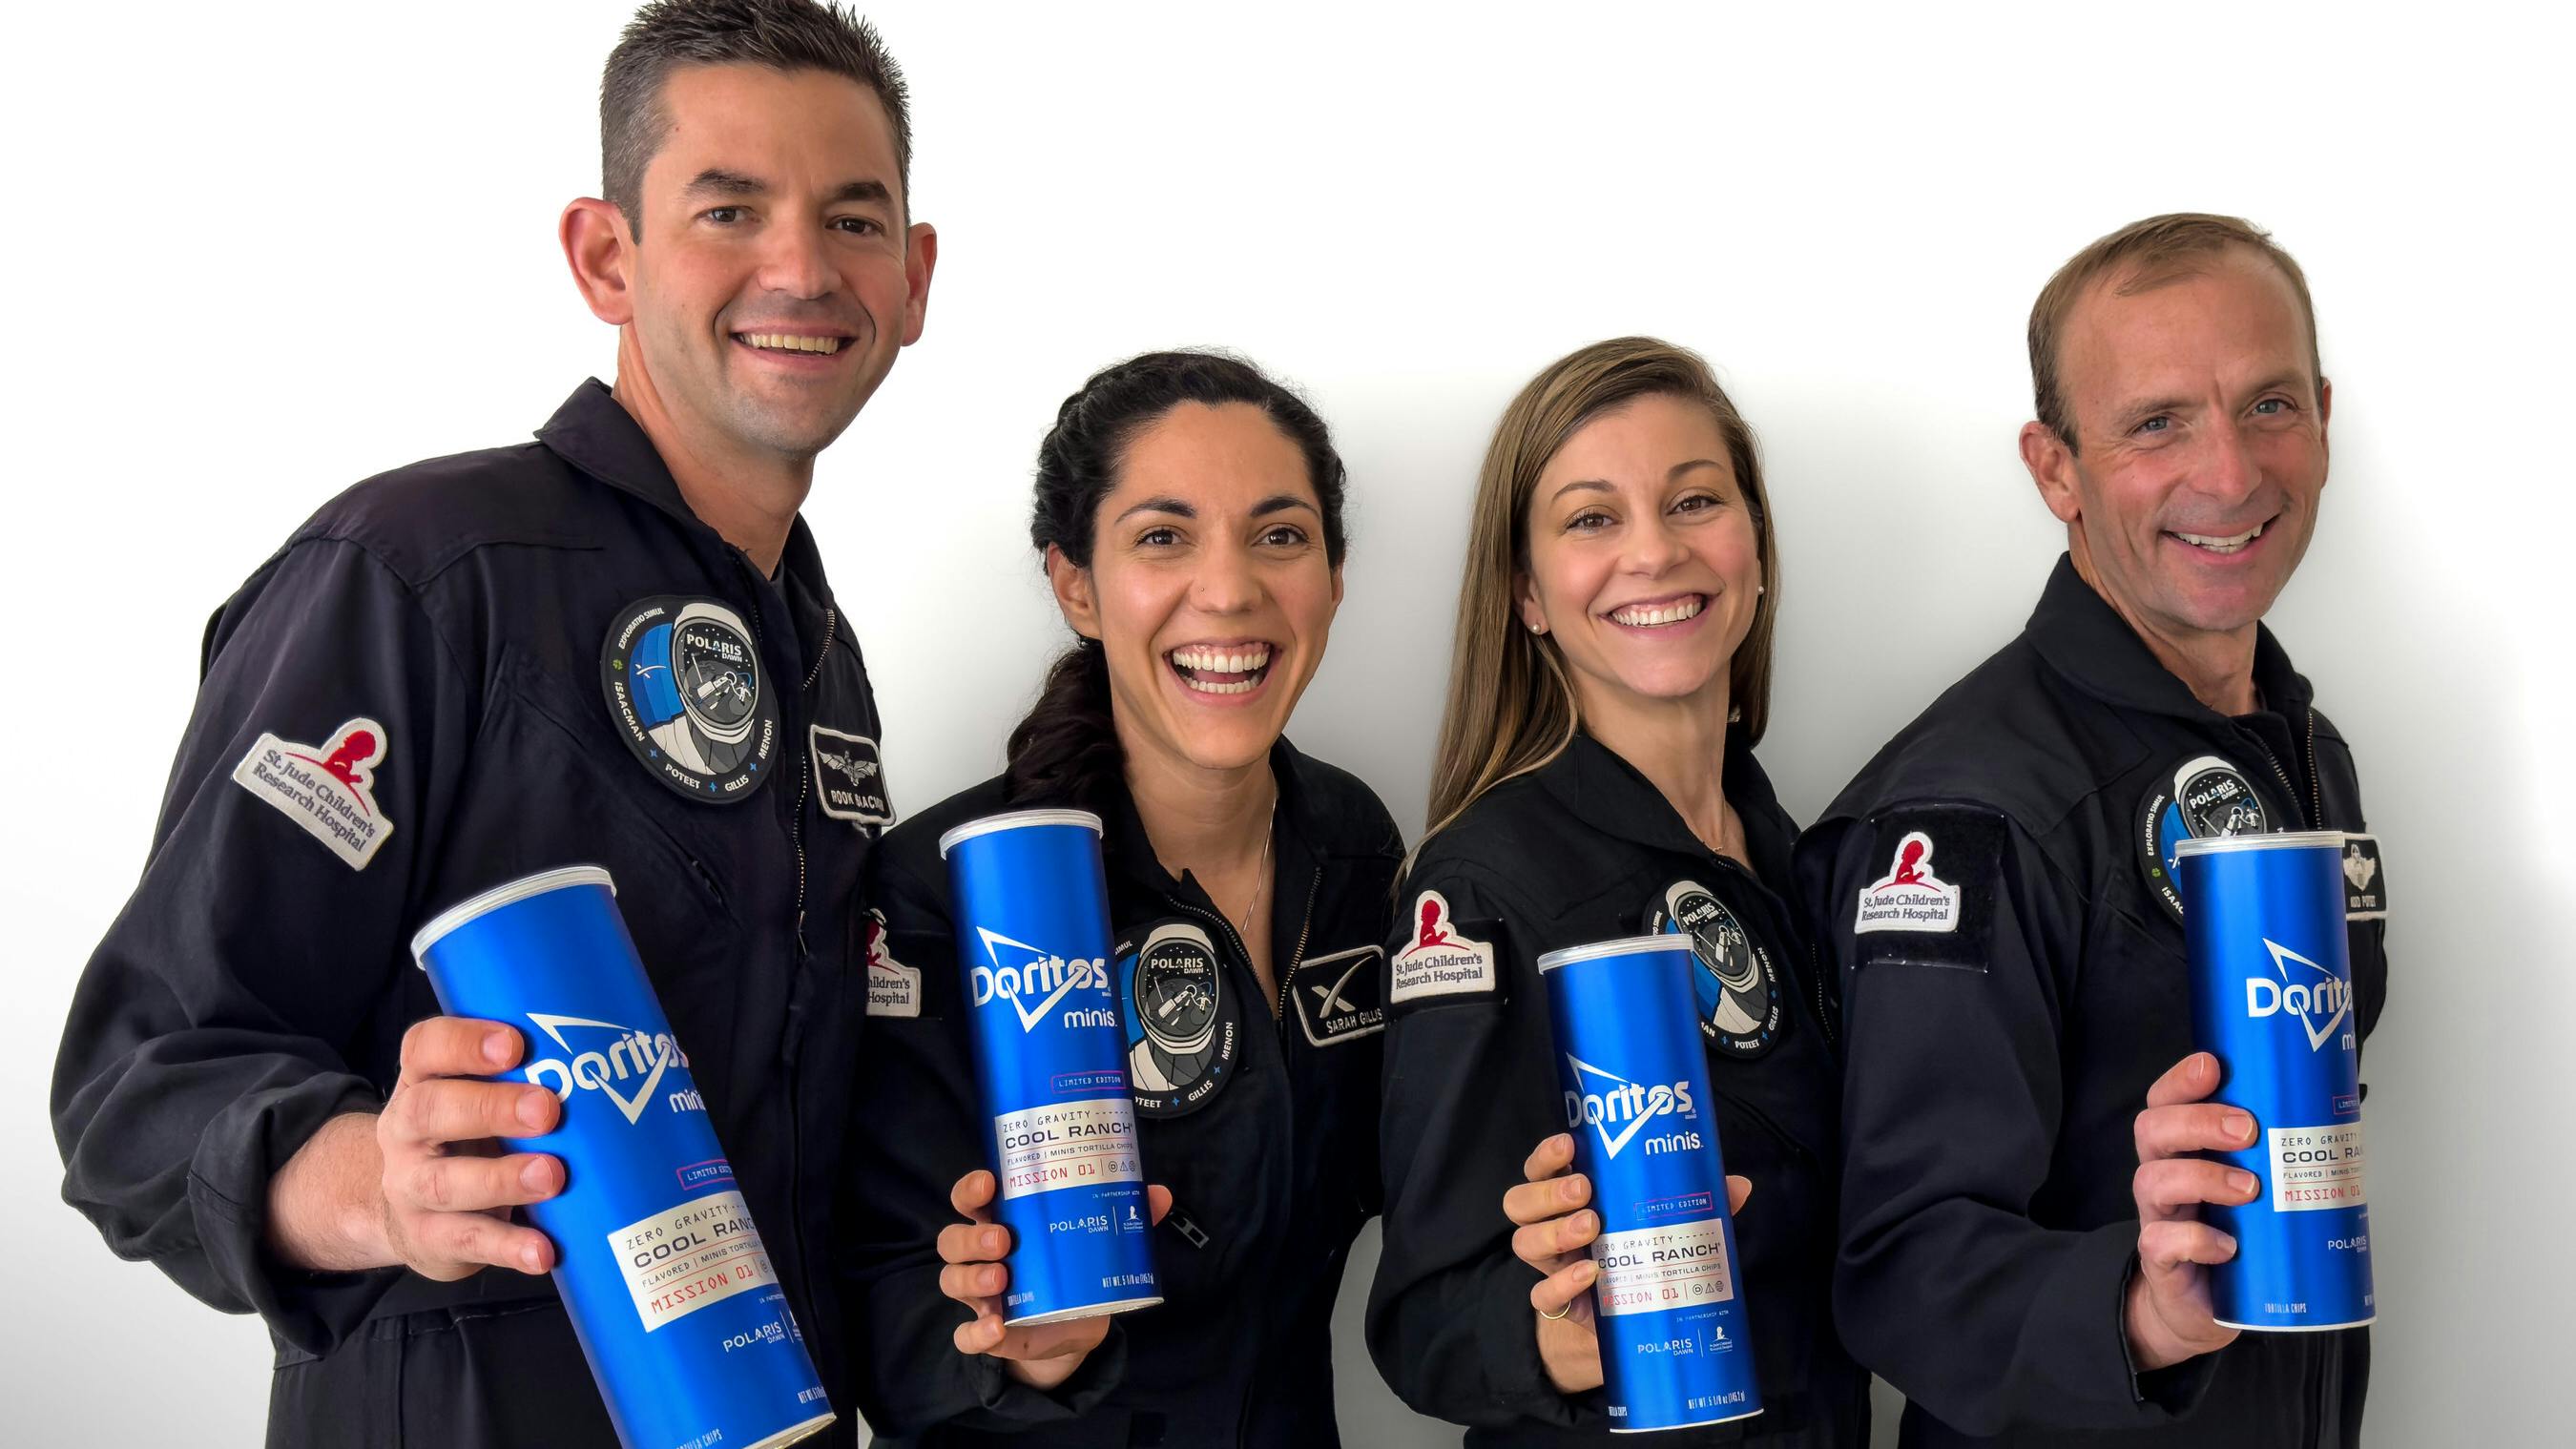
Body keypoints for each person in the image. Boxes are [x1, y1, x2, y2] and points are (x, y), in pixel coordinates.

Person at [48, 3, 934, 1442]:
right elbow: (140, 1082)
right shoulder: (414, 572)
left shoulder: (821, 658)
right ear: (605, 255)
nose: (803, 267)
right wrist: (378, 1180)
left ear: (915, 276)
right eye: (730, 208)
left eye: (853, 218)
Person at [1798, 214, 2386, 1446]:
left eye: (2268, 405)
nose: (2229, 473)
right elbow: (1900, 1260)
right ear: (2055, 467)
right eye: (2158, 422)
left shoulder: (2299, 749)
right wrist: (2139, 1309)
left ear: (2325, 417)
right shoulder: (1969, 809)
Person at [845, 351, 1404, 1447]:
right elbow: (872, 1314)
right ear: (1076, 587)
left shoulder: (1356, 849)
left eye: (1280, 534)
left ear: (1335, 578)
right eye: (1163, 536)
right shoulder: (945, 893)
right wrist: (1010, 1347)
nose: (1231, 588)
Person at [1368, 338, 1865, 1445]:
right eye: (1592, 518)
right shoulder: (1481, 886)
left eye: (1694, 499)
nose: (1654, 549)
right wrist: (1552, 1331)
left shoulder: (1801, 856)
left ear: (1756, 548)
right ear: (1529, 593)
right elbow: (1419, 1319)